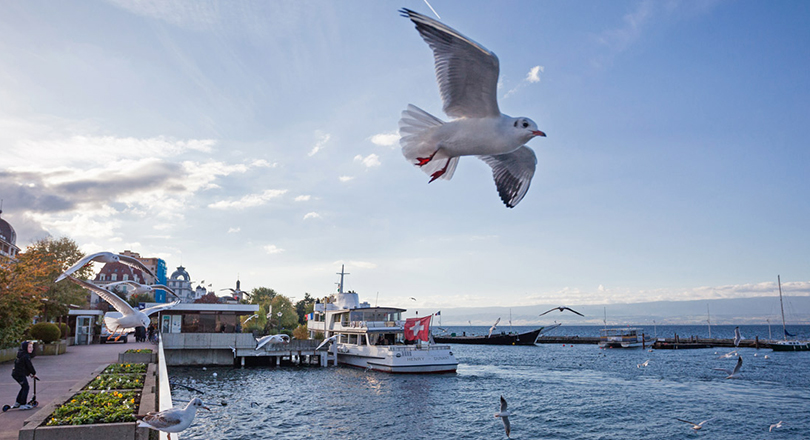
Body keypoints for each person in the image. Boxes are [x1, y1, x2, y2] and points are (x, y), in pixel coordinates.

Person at [11, 341, 37, 410]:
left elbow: (23, 366)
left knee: (24, 387)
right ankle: (23, 404)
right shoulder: (26, 356)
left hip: (16, 373)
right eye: (29, 347)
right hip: (19, 374)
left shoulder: (20, 354)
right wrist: (33, 373)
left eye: (32, 347)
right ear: (25, 348)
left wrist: (29, 374)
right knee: (26, 387)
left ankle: (18, 402)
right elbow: (29, 366)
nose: (31, 349)